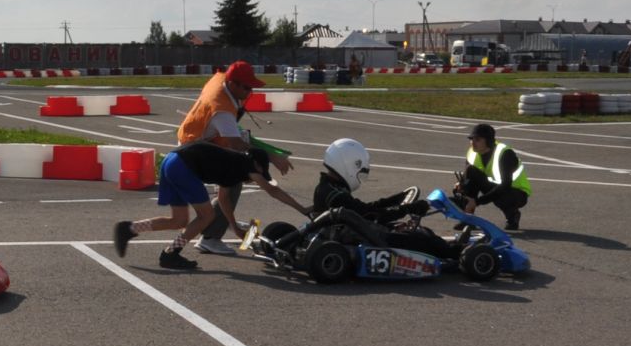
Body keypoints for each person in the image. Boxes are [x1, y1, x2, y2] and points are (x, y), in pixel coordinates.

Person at [112, 137, 305, 270]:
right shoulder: (246, 164)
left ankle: (130, 228)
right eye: (260, 175)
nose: (256, 180)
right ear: (256, 166)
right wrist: (302, 209)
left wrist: (234, 225)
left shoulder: (232, 167)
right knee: (206, 215)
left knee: (179, 220)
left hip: (171, 161)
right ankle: (171, 253)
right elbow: (272, 190)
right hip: (183, 165)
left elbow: (223, 200)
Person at [175, 61, 263, 255]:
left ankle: (218, 225)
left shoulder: (221, 79)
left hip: (193, 143)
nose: (250, 92)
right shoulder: (222, 110)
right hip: (193, 153)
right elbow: (235, 146)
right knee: (231, 182)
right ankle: (210, 237)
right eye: (247, 87)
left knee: (231, 182)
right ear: (234, 84)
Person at [310, 138, 422, 223]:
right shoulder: (336, 196)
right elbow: (370, 215)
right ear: (350, 165)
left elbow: (367, 208)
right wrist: (407, 209)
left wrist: (397, 198)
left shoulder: (327, 187)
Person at [453, 123, 530, 231]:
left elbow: (505, 185)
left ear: (488, 141)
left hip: (516, 192)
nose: (472, 143)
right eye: (471, 139)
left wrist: (478, 201)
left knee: (501, 198)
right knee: (469, 177)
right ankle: (468, 219)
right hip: (497, 186)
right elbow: (468, 174)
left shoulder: (505, 154)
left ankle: (512, 215)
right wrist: (461, 185)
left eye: (477, 139)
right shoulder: (472, 152)